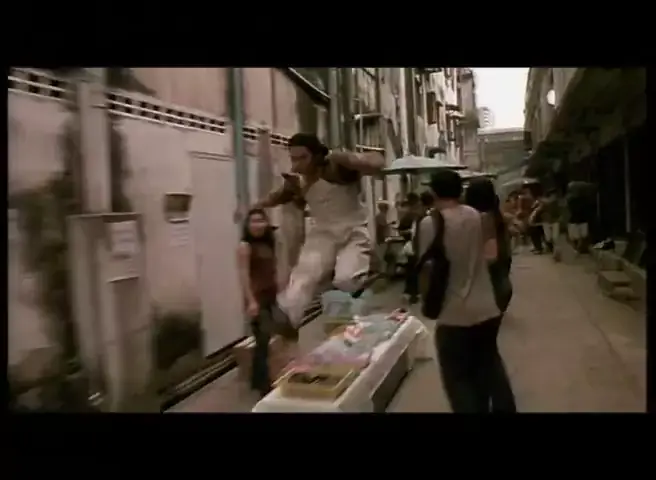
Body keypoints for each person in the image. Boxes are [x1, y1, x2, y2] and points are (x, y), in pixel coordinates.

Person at [252, 133, 384, 326]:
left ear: (316, 156)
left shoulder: (337, 168)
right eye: (294, 159)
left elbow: (377, 161)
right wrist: (256, 205)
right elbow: (277, 196)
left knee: (346, 279)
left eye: (303, 158)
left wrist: (355, 159)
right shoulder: (297, 181)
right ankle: (285, 322)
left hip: (353, 232)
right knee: (303, 276)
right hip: (322, 234)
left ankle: (364, 282)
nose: (298, 164)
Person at [417, 170, 514, 413]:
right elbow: (492, 256)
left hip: (452, 314)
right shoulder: (479, 217)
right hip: (486, 307)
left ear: (433, 192)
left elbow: (425, 266)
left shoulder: (430, 223)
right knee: (490, 364)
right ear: (460, 191)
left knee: (458, 377)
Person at [464, 177, 517, 413]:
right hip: (500, 287)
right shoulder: (495, 217)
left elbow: (490, 257)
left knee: (484, 354)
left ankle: (499, 404)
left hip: (491, 290)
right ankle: (491, 402)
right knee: (485, 352)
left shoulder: (483, 220)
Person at [236, 208, 298, 398]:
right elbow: (243, 275)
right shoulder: (245, 246)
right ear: (247, 225)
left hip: (271, 296)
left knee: (284, 329)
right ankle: (263, 387)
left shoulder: (267, 244)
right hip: (257, 298)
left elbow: (274, 267)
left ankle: (257, 379)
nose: (257, 225)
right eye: (253, 221)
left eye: (260, 221)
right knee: (262, 340)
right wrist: (251, 301)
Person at [540, 189, 562, 255]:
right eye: (553, 195)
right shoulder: (543, 203)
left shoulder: (557, 202)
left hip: (555, 221)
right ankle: (551, 248)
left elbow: (559, 211)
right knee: (548, 237)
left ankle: (555, 250)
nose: (554, 196)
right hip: (546, 221)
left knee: (555, 237)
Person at [524, 185, 545, 254]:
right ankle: (537, 247)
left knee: (535, 232)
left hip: (539, 220)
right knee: (533, 232)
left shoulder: (540, 201)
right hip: (535, 220)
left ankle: (539, 247)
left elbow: (539, 209)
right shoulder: (534, 201)